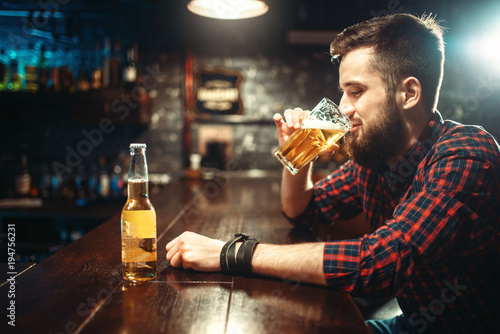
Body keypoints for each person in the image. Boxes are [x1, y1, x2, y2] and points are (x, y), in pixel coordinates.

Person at [166, 13, 500, 333]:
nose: (342, 107)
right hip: (412, 324)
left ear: (409, 93)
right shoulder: (377, 158)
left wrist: (231, 253)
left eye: (356, 92)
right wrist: (301, 154)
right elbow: (303, 210)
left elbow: (381, 262)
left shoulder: (467, 154)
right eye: (343, 92)